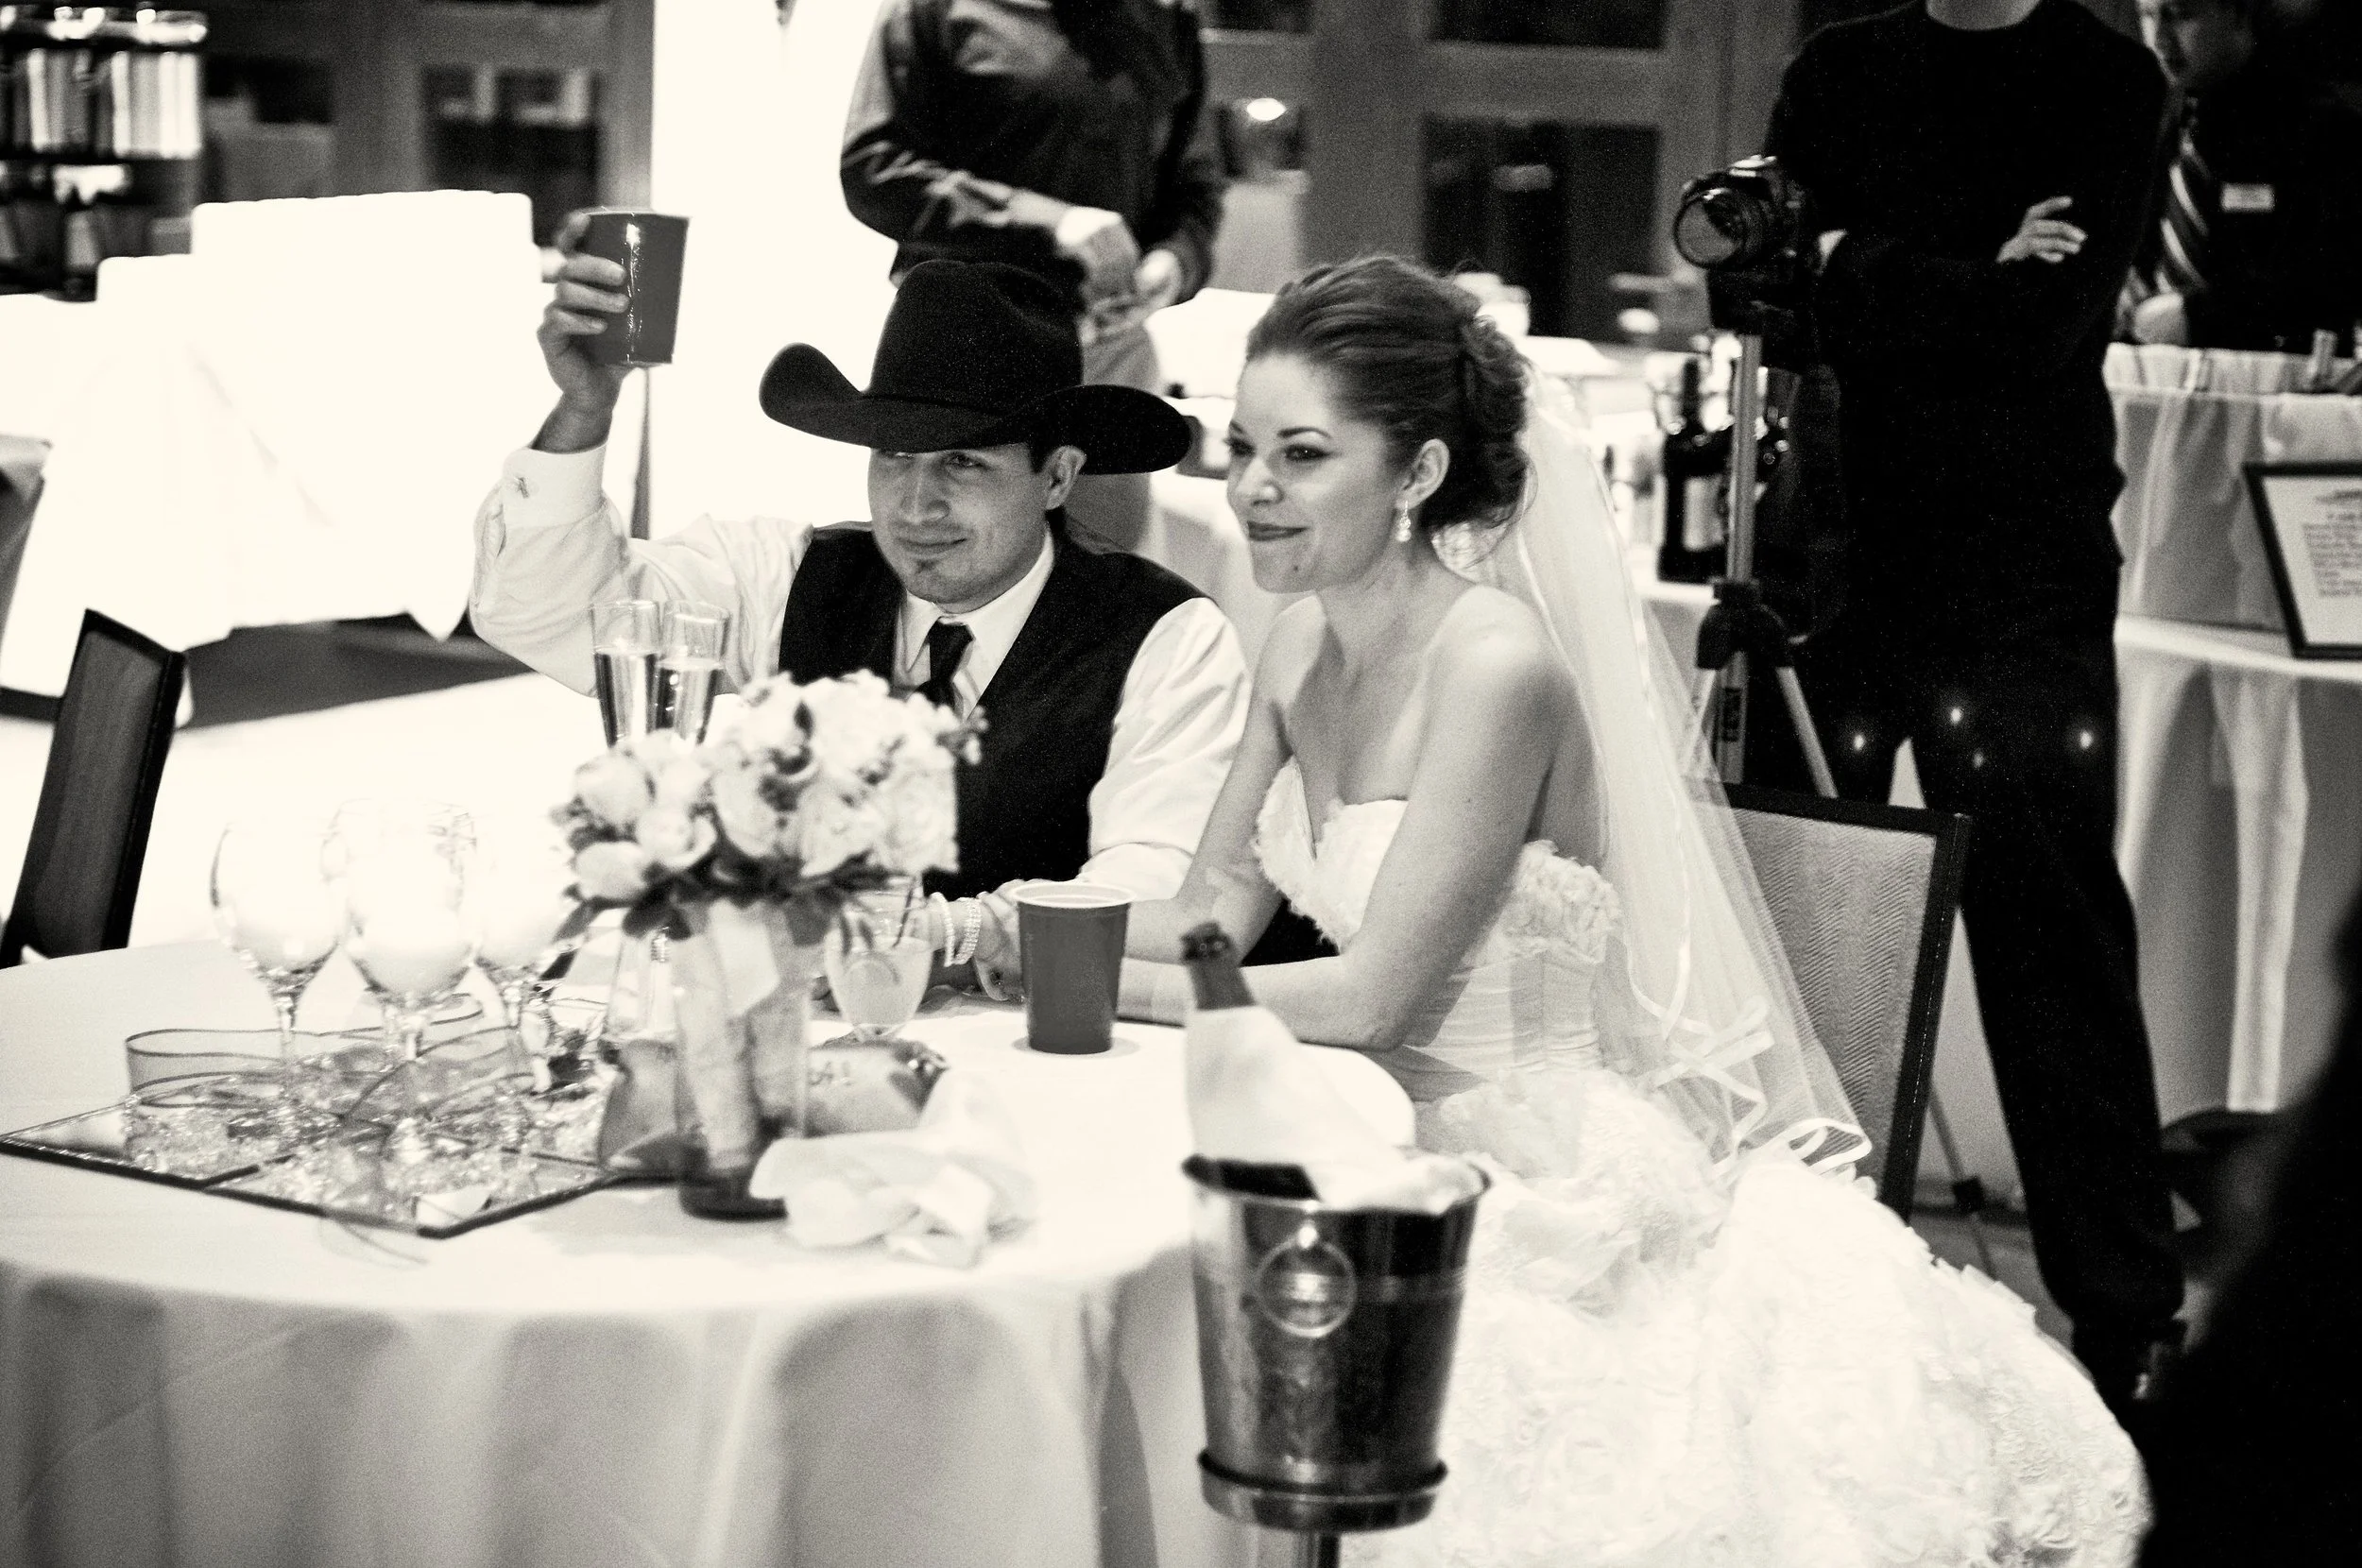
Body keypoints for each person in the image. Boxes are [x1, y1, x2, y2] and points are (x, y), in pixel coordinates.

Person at [1081, 255, 2148, 1564]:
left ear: (1416, 475)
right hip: (1349, 1130)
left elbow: (1373, 1000)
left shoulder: (1497, 667)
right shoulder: (1297, 640)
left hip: (1515, 1166)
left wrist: (1078, 982)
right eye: (1243, 447)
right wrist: (961, 925)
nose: (1251, 488)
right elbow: (1208, 914)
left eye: (1301, 456)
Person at [1756, 0, 2186, 1418]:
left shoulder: (2110, 83)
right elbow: (1760, 296)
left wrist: (1857, 268)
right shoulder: (1837, 74)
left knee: (2050, 932)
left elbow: (2044, 326)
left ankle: (2123, 1318)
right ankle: (1784, 1287)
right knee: (1804, 930)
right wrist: (1954, 274)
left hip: (2024, 572)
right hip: (1841, 556)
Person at [470, 252, 1247, 982]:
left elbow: (1156, 882)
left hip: (1042, 1045)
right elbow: (563, 617)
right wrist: (584, 410)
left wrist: (946, 937)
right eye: (894, 459)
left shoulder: (1164, 635)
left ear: (1058, 476)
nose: (915, 506)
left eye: (963, 462)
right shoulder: (796, 575)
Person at [840, 0, 1227, 550]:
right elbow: (873, 169)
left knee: (1104, 588)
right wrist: (1051, 222)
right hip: (964, 350)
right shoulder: (935, 8)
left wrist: (1171, 265)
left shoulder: (1165, 17)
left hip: (1107, 352)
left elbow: (1197, 191)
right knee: (951, 562)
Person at [2126, 0, 2362, 353]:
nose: (2159, 39)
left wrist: (2198, 318)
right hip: (2157, 376)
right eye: (2147, 15)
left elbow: (2335, 280)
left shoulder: (2321, 128)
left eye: (2180, 15)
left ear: (2237, 14)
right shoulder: (2151, 126)